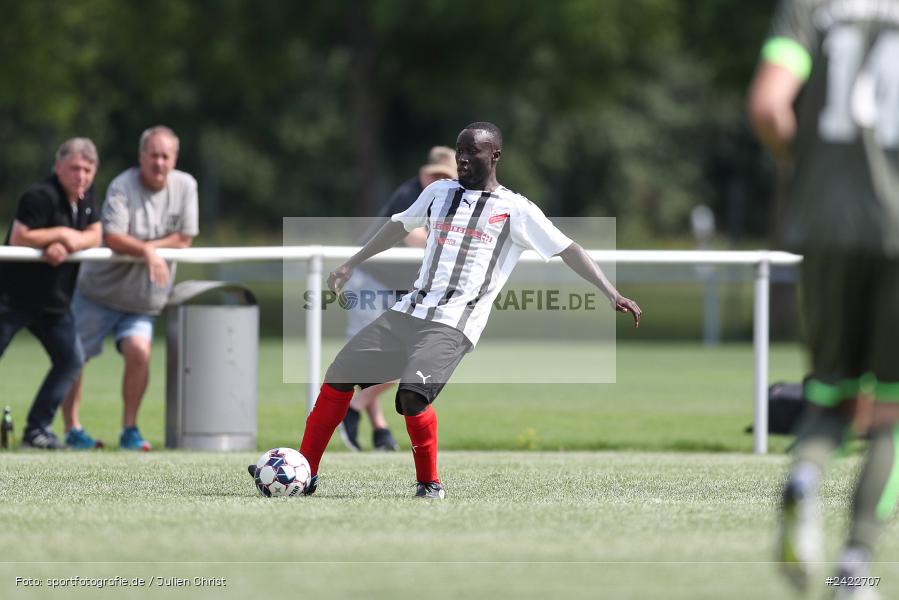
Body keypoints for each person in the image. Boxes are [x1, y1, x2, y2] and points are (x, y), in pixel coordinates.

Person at [257, 122, 641, 499]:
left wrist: (610, 291)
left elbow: (568, 249)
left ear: (495, 155)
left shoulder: (516, 209)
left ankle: (430, 484)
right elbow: (397, 225)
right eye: (459, 150)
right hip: (410, 310)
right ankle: (304, 473)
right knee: (339, 375)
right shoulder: (439, 192)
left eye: (471, 151)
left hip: (453, 324)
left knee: (411, 396)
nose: (462, 158)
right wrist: (352, 262)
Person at [748, 0, 899, 593]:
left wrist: (811, 173)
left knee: (832, 394)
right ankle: (855, 562)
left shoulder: (812, 7)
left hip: (828, 224)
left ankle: (805, 480)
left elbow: (767, 106)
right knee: (891, 410)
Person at [61, 126, 198, 450]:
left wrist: (146, 246)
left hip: (143, 299)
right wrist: (148, 251)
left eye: (165, 156)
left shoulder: (186, 185)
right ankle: (72, 429)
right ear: (141, 156)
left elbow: (184, 238)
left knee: (140, 352)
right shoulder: (122, 185)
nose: (159, 162)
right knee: (73, 357)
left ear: (174, 159)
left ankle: (129, 430)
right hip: (98, 292)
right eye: (153, 155)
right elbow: (113, 236)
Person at [340, 145, 458, 452]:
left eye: (445, 177)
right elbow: (415, 238)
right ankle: (353, 409)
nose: (437, 181)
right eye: (434, 175)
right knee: (386, 358)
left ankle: (378, 428)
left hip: (392, 285)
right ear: (423, 174)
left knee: (382, 359)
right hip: (371, 279)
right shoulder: (413, 194)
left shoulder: (440, 199)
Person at [0, 138, 102, 449]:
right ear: (58, 167)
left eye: (87, 169)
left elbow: (96, 235)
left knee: (71, 360)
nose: (81, 175)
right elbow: (20, 237)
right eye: (74, 168)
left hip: (53, 303)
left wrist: (71, 242)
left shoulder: (86, 197)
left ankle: (37, 431)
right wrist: (60, 234)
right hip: (10, 298)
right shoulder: (39, 196)